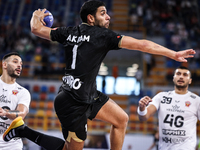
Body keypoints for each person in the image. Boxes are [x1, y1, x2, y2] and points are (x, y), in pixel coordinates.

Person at [3, 1, 196, 150]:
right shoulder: (102, 35)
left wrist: (36, 15)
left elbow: (36, 29)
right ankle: (22, 130)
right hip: (72, 102)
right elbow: (143, 45)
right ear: (91, 18)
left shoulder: (68, 32)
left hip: (87, 94)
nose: (109, 17)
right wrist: (173, 53)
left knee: (121, 119)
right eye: (103, 13)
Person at [138, 66, 200, 150]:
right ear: (173, 78)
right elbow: (144, 117)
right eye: (178, 74)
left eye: (185, 75)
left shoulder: (196, 100)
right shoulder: (161, 97)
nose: (181, 76)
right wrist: (142, 107)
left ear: (190, 81)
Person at [0, 52, 31, 149]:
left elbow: (21, 113)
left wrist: (5, 112)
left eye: (21, 64)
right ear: (4, 64)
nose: (19, 66)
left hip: (11, 144)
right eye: (15, 62)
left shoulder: (23, 92)